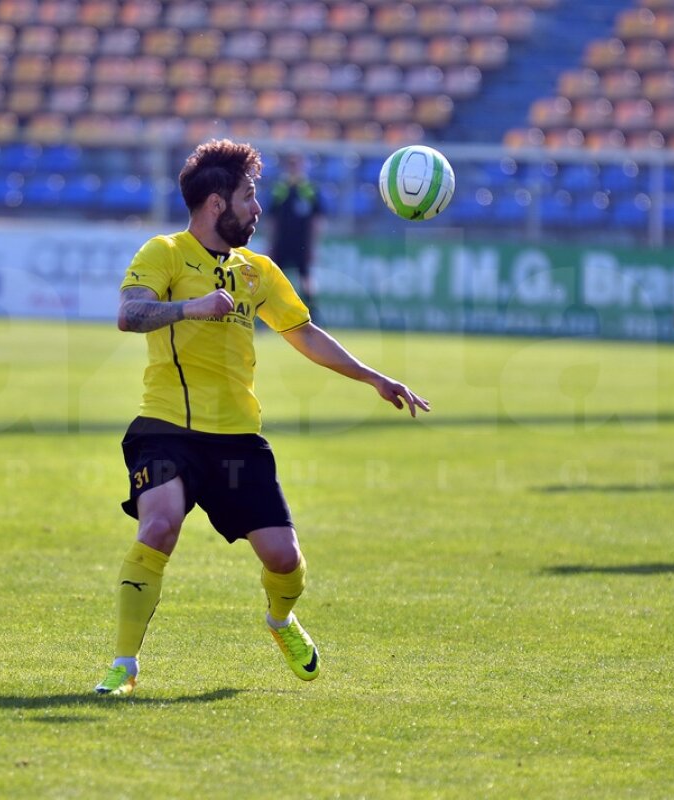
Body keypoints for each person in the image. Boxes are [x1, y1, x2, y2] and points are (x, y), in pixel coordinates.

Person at [94, 140, 429, 697]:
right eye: (249, 196)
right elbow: (130, 314)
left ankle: (280, 622)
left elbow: (304, 334)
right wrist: (190, 308)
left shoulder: (259, 271)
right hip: (166, 428)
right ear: (215, 204)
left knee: (285, 559)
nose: (257, 208)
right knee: (158, 526)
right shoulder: (165, 252)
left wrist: (374, 377)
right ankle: (123, 665)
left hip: (236, 441)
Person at [268, 152, 324, 321]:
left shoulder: (309, 189)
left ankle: (313, 314)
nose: (294, 168)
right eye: (291, 164)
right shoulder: (280, 188)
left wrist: (314, 245)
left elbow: (317, 218)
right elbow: (273, 218)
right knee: (275, 278)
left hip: (302, 242)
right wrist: (271, 243)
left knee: (306, 278)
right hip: (282, 242)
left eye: (297, 164)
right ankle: (270, 314)